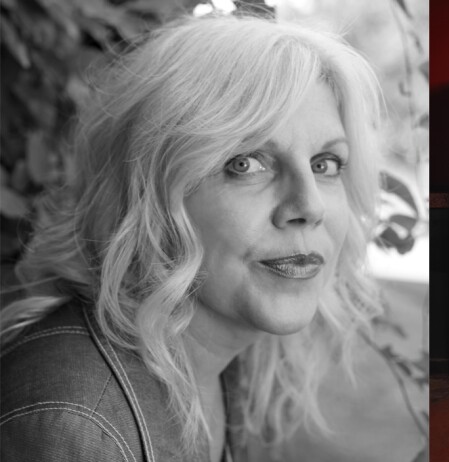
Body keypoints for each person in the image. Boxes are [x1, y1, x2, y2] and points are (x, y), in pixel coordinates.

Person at [0, 14, 402, 461]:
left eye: (325, 164)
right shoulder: (76, 427)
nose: (309, 207)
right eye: (247, 163)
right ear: (149, 194)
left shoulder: (229, 363)